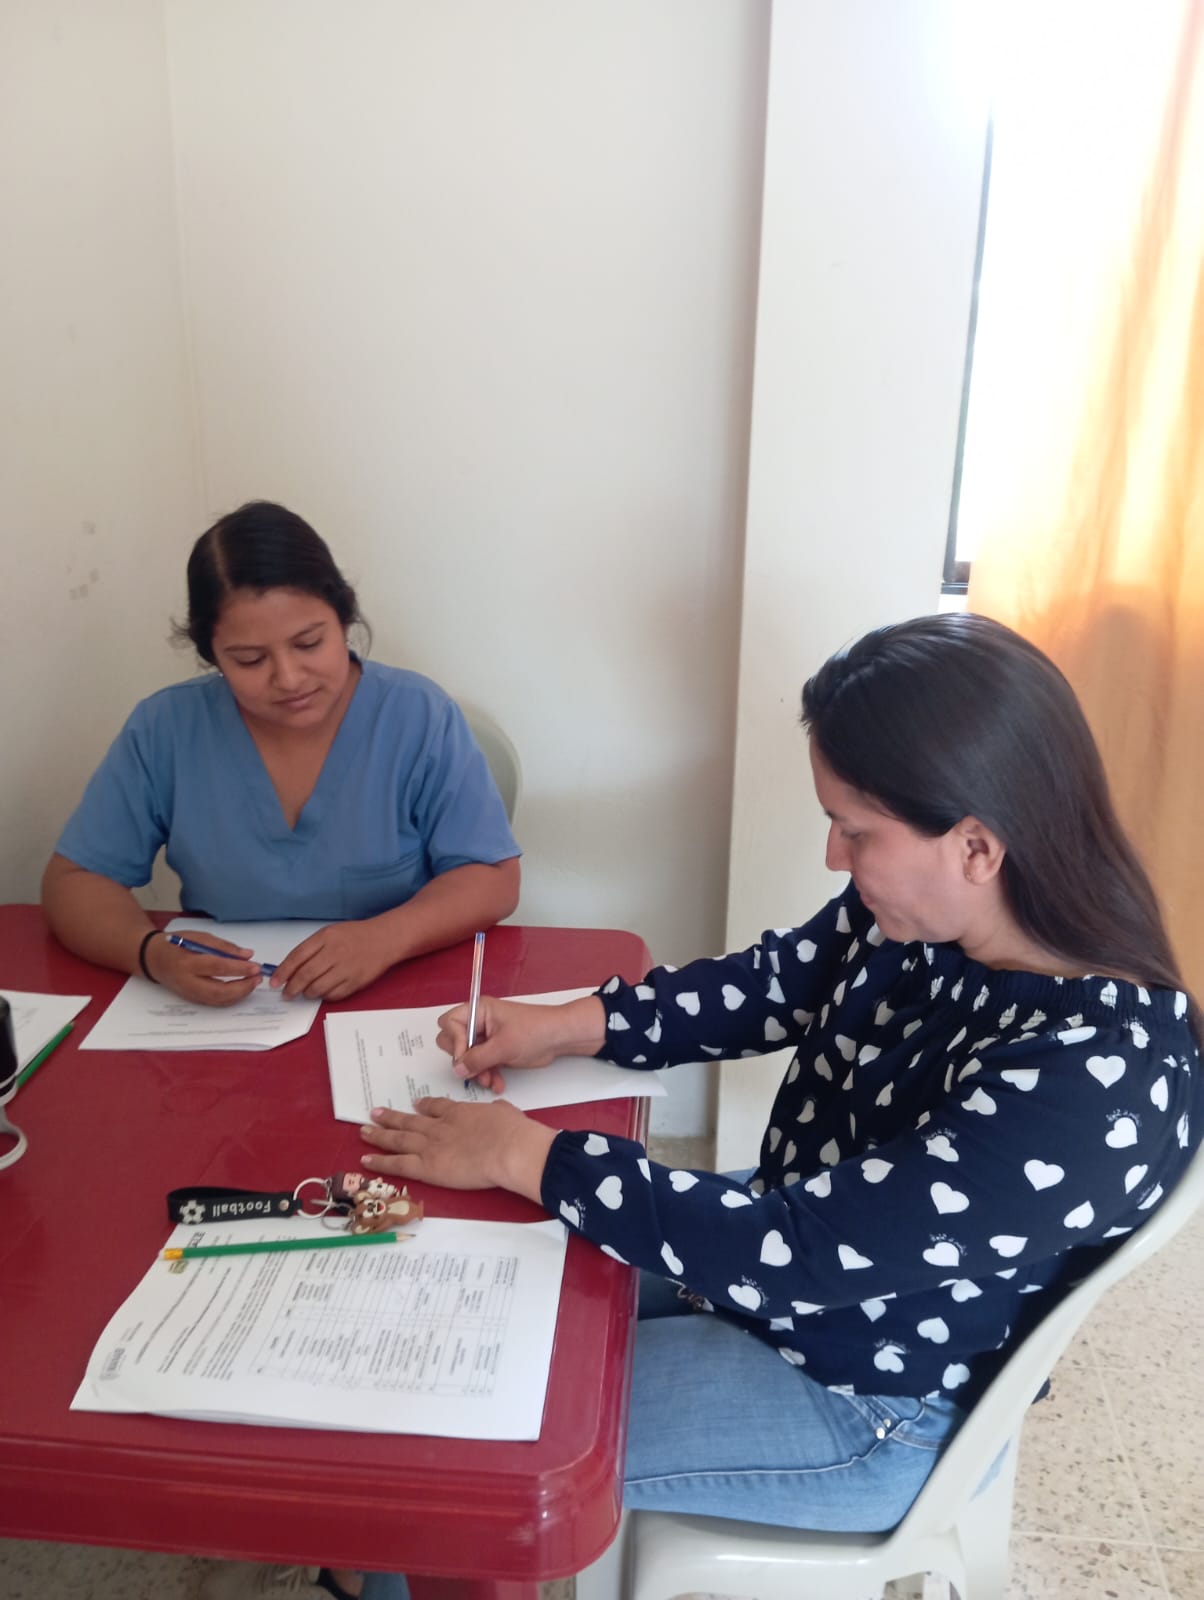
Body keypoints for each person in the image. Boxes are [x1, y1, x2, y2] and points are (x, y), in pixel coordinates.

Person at [348, 611, 1201, 1572]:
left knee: (481, 1433)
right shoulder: (929, 919)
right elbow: (776, 984)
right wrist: (570, 1023)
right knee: (495, 1299)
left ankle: (403, 1556)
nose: (835, 855)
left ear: (975, 845)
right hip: (790, 1260)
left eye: (856, 831)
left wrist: (529, 1153)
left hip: (869, 1395)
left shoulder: (1094, 1078)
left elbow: (801, 1253)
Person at [42, 501, 520, 1006]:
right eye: (250, 659)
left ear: (344, 618)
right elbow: (75, 881)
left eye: (309, 643)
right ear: (211, 654)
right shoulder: (166, 729)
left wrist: (386, 937)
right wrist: (150, 954)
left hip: (396, 997)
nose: (289, 679)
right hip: (224, 1008)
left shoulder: (417, 716)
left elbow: (492, 877)